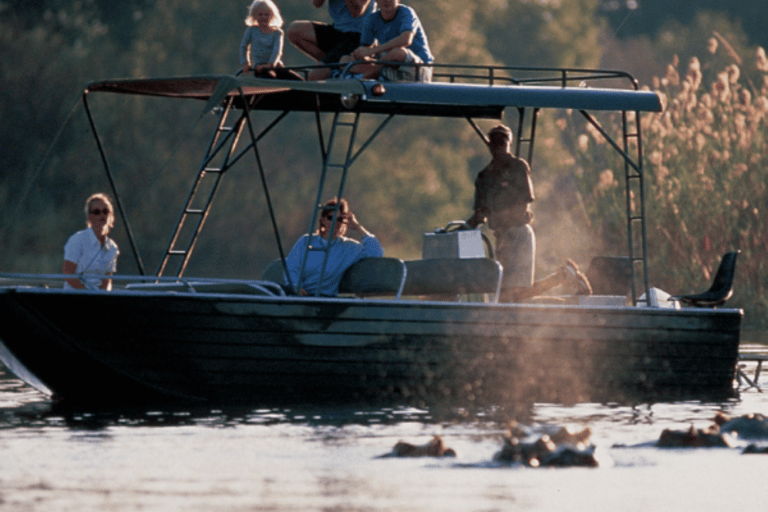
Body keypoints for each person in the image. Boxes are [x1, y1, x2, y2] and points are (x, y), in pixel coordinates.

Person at [467, 125, 591, 302]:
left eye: (502, 142)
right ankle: (562, 277)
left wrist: (501, 220)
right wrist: (459, 231)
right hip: (501, 238)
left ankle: (568, 293)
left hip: (517, 234)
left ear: (508, 143)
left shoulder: (518, 167)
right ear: (490, 145)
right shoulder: (484, 177)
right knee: (506, 300)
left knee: (512, 298)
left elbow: (523, 205)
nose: (499, 147)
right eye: (495, 143)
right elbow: (479, 216)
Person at [285, 198, 384, 296]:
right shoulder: (306, 241)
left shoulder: (348, 247)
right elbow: (292, 268)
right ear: (322, 220)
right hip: (300, 298)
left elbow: (377, 251)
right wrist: (296, 287)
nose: (335, 223)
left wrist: (357, 226)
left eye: (340, 219)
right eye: (331, 218)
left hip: (325, 301)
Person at [340, 0, 433, 81]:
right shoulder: (371, 19)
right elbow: (367, 49)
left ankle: (364, 77)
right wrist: (361, 53)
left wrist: (371, 51)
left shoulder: (407, 12)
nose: (386, 0)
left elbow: (406, 40)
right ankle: (373, 74)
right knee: (344, 60)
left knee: (396, 52)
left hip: (417, 68)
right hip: (388, 65)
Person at [286, 0, 375, 81]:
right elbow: (316, 4)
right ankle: (334, 67)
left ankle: (330, 68)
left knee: (313, 77)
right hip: (337, 31)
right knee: (294, 30)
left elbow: (357, 12)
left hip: (358, 36)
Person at [62, 193, 120, 291]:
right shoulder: (77, 240)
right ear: (89, 217)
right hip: (74, 297)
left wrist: (101, 298)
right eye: (97, 212)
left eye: (105, 211)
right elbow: (68, 274)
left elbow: (107, 282)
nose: (102, 215)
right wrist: (87, 293)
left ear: (110, 215)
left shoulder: (112, 247)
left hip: (98, 299)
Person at [240, 0, 303, 80]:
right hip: (259, 68)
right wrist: (245, 63)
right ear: (254, 16)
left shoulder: (277, 33)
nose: (263, 17)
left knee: (298, 81)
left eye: (266, 15)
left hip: (275, 65)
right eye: (260, 14)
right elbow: (243, 47)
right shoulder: (251, 30)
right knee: (270, 80)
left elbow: (276, 51)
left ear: (272, 16)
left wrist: (270, 64)